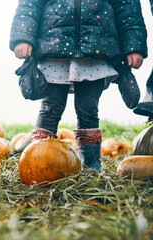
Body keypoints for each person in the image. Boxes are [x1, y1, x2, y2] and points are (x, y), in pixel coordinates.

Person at [10, 0, 147, 171]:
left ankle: (91, 165)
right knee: (50, 109)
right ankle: (37, 163)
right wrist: (23, 37)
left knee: (88, 109)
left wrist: (133, 46)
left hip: (95, 50)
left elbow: (126, 8)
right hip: (54, 49)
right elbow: (30, 5)